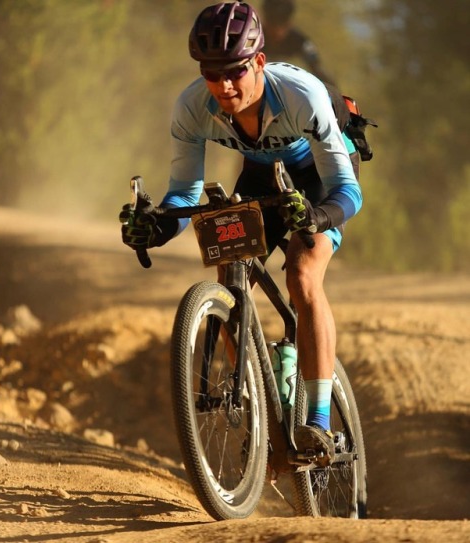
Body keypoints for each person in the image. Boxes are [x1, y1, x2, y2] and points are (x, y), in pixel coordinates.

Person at [120, 2, 363, 463]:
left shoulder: (300, 96)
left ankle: (319, 422)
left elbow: (348, 191)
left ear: (259, 62)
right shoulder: (192, 107)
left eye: (235, 71)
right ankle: (260, 399)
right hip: (261, 172)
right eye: (212, 73)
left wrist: (317, 219)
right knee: (230, 274)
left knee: (302, 273)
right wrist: (154, 228)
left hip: (321, 177)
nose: (224, 86)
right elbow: (183, 196)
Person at [261, 0, 337, 86]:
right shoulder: (253, 37)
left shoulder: (300, 41)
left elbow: (318, 69)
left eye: (281, 26)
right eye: (272, 25)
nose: (276, 32)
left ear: (289, 24)